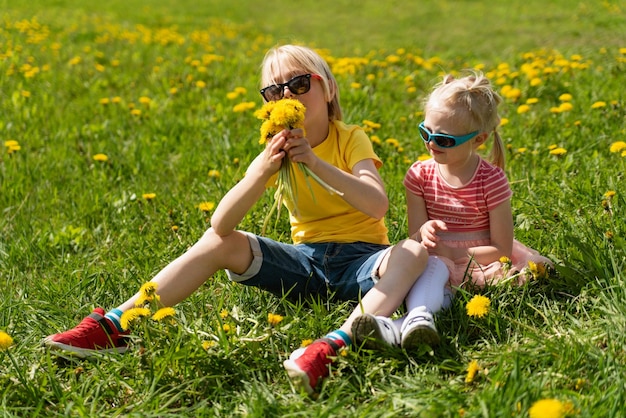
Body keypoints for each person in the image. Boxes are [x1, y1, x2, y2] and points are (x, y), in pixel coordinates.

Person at [44, 44, 429, 395]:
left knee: (412, 252)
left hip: (363, 263)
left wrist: (313, 160)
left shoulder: (349, 138)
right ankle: (116, 324)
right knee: (218, 243)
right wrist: (259, 172)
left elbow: (377, 205)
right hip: (306, 264)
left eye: (299, 84)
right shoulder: (273, 152)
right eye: (274, 91)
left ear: (327, 89)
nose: (288, 96)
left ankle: (331, 346)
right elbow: (221, 226)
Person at [351, 72, 552, 350]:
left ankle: (396, 327)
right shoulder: (420, 176)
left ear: (478, 140)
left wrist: (456, 254)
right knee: (434, 270)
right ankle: (413, 323)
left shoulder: (490, 180)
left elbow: (503, 248)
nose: (431, 144)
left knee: (437, 281)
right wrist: (425, 233)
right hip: (437, 259)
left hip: (481, 261)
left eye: (444, 140)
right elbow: (416, 237)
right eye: (425, 132)